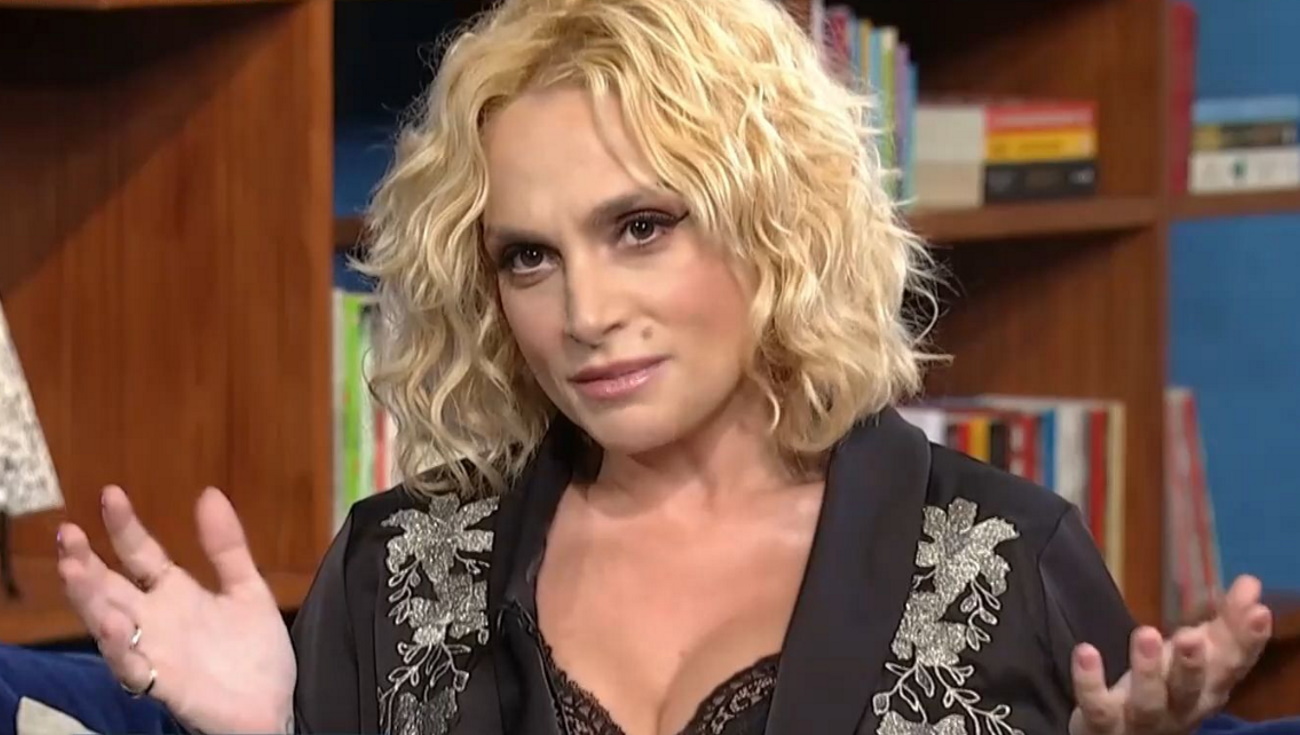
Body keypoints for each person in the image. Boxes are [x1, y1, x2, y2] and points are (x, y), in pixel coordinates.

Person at [55, 0, 1274, 733]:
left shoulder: (1008, 562)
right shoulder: (396, 571)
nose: (585, 313)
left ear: (772, 223)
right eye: (529, 257)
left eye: (641, 227)